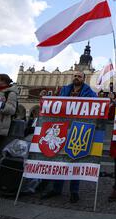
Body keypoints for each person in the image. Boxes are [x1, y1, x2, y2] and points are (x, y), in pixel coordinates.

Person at [40, 71, 97, 203]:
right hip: (63, 127)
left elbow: (95, 104)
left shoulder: (89, 92)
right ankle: (56, 188)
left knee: (75, 158)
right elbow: (57, 103)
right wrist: (46, 98)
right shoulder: (65, 89)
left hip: (79, 128)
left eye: (79, 76)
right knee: (60, 158)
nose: (76, 78)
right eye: (75, 76)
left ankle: (74, 191)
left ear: (84, 79)